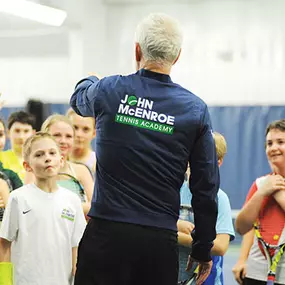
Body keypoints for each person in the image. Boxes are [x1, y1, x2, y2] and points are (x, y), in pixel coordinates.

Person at [70, 13, 219, 285]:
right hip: (157, 244)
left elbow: (78, 100)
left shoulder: (109, 90)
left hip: (106, 236)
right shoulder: (194, 109)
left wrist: (89, 80)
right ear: (177, 57)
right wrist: (202, 247)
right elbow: (205, 185)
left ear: (137, 50)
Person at [0, 132, 86, 285]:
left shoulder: (72, 201)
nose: (47, 158)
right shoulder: (18, 198)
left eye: (52, 153)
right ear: (27, 166)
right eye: (39, 155)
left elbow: (76, 245)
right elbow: (4, 244)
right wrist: (5, 281)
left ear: (61, 160)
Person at [178, 132, 235, 284]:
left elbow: (221, 247)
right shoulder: (172, 191)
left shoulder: (220, 199)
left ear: (219, 162)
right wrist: (176, 225)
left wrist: (175, 235)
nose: (198, 161)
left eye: (207, 157)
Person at [233, 119, 285, 285]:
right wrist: (262, 192)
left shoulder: (271, 187)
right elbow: (242, 227)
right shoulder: (260, 184)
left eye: (281, 142)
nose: (274, 147)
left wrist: (277, 191)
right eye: (269, 143)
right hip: (256, 273)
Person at [0, 111, 36, 181]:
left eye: (26, 131)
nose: (21, 137)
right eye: (17, 131)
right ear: (8, 132)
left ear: (33, 133)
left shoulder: (39, 159)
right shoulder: (1, 157)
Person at [66, 108, 96, 173]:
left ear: (94, 133)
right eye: (75, 127)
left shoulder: (99, 165)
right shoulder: (56, 161)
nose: (79, 134)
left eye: (86, 129)